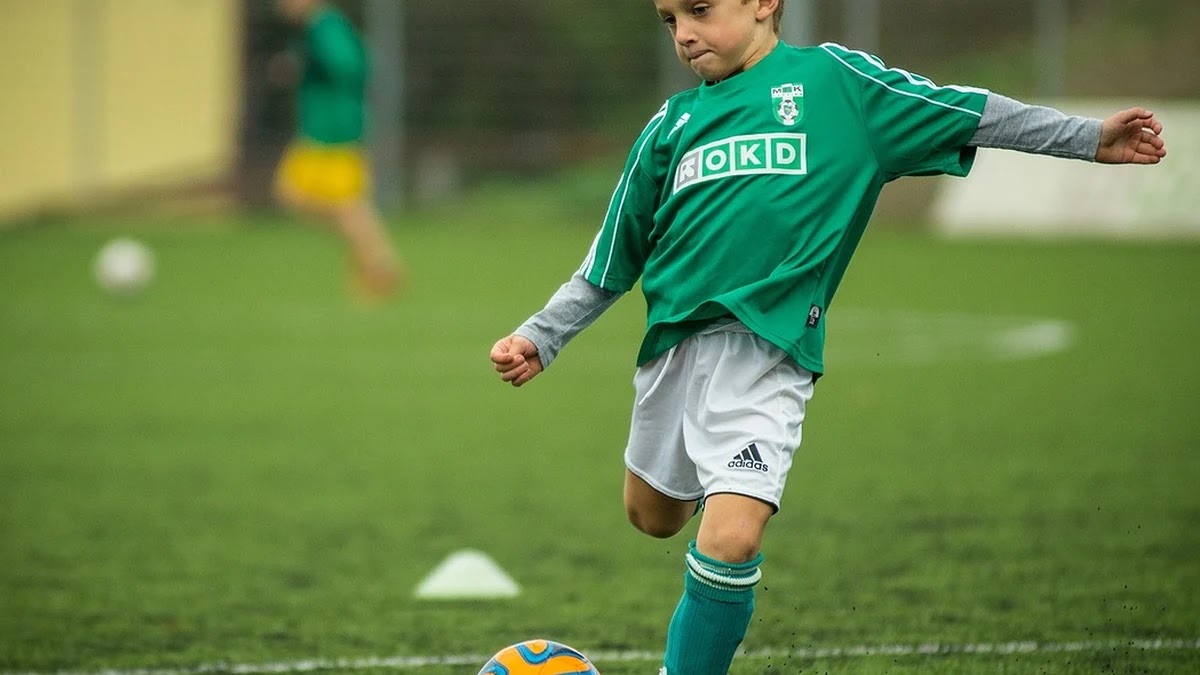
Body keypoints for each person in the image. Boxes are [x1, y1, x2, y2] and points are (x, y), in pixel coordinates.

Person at [489, 1, 1167, 673]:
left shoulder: (838, 86)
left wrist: (1086, 138)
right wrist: (539, 336)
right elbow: (612, 257)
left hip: (767, 356)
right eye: (670, 21)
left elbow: (967, 109)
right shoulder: (671, 125)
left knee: (729, 539)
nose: (686, 34)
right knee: (652, 515)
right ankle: (715, 474)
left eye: (699, 10)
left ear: (764, 3)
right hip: (672, 354)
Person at [272, 0, 402, 302]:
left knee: (343, 205)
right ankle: (374, 259)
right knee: (303, 198)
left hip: (333, 131)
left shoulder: (325, 25)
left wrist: (303, 65)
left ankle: (379, 265)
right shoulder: (317, 28)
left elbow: (352, 64)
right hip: (320, 129)